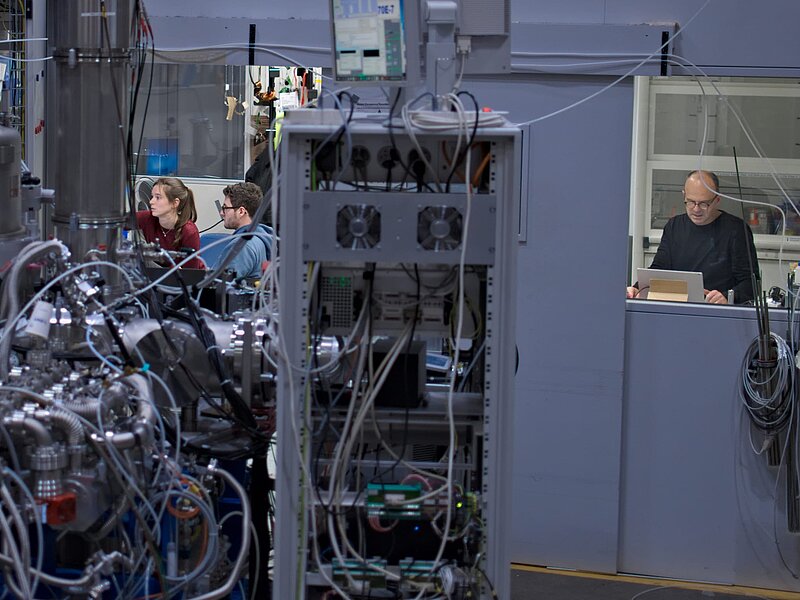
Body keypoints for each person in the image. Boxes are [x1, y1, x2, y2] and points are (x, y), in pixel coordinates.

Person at [627, 170, 759, 304]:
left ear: (717, 200)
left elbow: (751, 284)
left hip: (718, 310)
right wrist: (637, 288)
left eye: (704, 204)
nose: (696, 209)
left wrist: (727, 297)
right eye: (690, 202)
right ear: (684, 195)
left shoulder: (736, 230)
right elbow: (659, 269)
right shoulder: (674, 226)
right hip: (679, 307)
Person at [136, 177, 203, 269]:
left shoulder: (189, 231)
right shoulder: (147, 218)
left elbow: (191, 273)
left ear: (175, 203)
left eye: (158, 197)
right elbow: (119, 221)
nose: (151, 202)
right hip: (158, 274)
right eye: (152, 196)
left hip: (183, 276)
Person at [214, 182, 273, 279]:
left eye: (225, 208)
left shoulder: (243, 245)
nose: (221, 213)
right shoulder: (260, 237)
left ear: (241, 211)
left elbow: (218, 283)